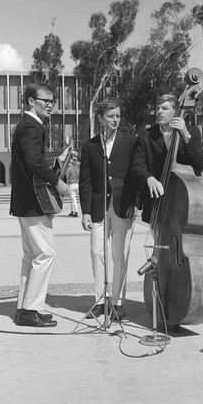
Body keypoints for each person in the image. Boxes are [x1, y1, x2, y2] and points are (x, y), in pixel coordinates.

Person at [10, 83, 68, 328]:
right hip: (34, 201)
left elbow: (30, 162)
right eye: (46, 100)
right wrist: (58, 181)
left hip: (25, 200)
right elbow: (34, 162)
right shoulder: (32, 127)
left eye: (52, 101)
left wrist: (57, 161)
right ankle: (30, 309)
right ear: (31, 101)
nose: (50, 105)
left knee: (31, 255)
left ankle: (25, 307)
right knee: (46, 253)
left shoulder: (25, 126)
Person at [79, 99, 138, 321]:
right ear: (100, 118)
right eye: (111, 116)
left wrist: (135, 203)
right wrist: (85, 211)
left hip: (123, 205)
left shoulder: (131, 142)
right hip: (97, 206)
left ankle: (117, 302)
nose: (115, 120)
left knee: (120, 254)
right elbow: (85, 182)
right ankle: (100, 300)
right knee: (97, 252)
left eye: (118, 116)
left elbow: (136, 174)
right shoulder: (89, 146)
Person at [132, 93, 203, 224]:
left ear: (175, 111)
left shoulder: (192, 131)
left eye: (165, 108)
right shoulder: (146, 136)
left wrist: (185, 134)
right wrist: (148, 178)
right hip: (157, 203)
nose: (159, 112)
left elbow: (200, 163)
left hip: (186, 203)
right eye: (158, 108)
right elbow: (137, 165)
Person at [65, 151, 80, 217]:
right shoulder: (78, 169)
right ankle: (72, 211)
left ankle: (76, 211)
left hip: (71, 184)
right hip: (77, 184)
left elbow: (66, 177)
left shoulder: (69, 168)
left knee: (73, 199)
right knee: (73, 199)